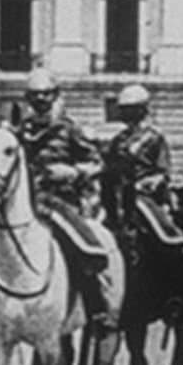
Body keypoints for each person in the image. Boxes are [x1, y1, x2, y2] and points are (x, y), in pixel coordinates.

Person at [18, 68, 119, 327]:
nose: (40, 100)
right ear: (27, 98)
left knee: (83, 246)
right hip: (25, 204)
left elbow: (97, 163)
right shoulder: (19, 132)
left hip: (59, 203)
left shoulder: (69, 130)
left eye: (46, 94)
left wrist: (72, 172)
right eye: (35, 95)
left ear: (55, 96)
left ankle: (95, 303)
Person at [102, 83, 183, 246]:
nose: (125, 113)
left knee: (161, 234)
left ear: (142, 110)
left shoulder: (154, 138)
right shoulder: (119, 140)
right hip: (119, 195)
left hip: (145, 195)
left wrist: (149, 183)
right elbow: (109, 166)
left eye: (130, 109)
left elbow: (162, 171)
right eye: (124, 108)